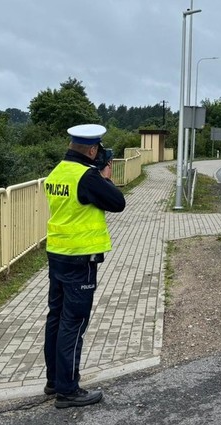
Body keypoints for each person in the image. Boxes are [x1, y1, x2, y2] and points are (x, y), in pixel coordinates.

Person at [42, 123, 126, 409]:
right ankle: (68, 390)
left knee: (56, 317)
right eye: (98, 150)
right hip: (81, 259)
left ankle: (54, 381)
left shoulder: (58, 172)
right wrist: (105, 178)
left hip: (57, 254)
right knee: (74, 323)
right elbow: (118, 203)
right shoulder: (87, 177)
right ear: (92, 150)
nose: (100, 154)